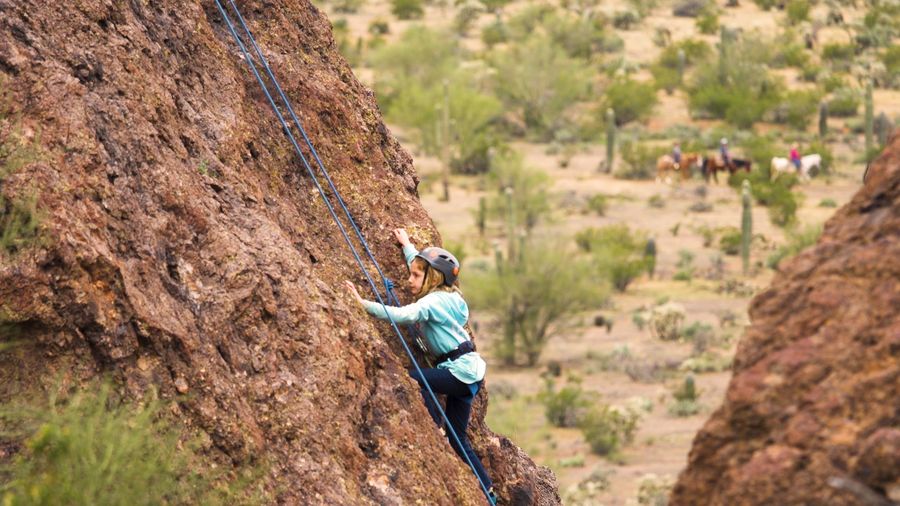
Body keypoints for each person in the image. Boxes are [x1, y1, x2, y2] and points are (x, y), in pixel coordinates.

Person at [345, 228, 496, 503]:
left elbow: (403, 315)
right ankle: (488, 491)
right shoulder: (448, 297)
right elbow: (422, 266)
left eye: (416, 275)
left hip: (457, 372)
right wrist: (407, 247)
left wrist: (362, 304)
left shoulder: (431, 302)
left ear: (433, 278)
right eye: (411, 273)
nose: (409, 279)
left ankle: (432, 425)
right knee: (457, 437)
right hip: (468, 374)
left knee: (415, 378)